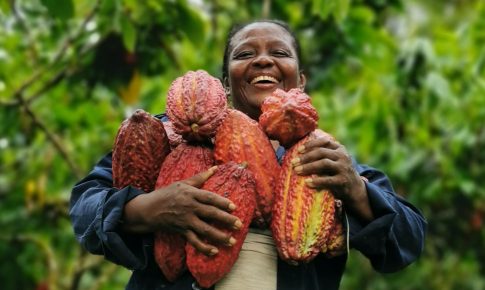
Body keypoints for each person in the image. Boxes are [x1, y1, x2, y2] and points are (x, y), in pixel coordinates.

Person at [69, 19, 427, 290]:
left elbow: (408, 239)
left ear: (300, 81)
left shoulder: (323, 161)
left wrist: (355, 190)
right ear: (225, 83)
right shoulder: (174, 135)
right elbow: (85, 206)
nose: (263, 61)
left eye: (279, 53)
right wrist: (150, 209)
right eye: (245, 54)